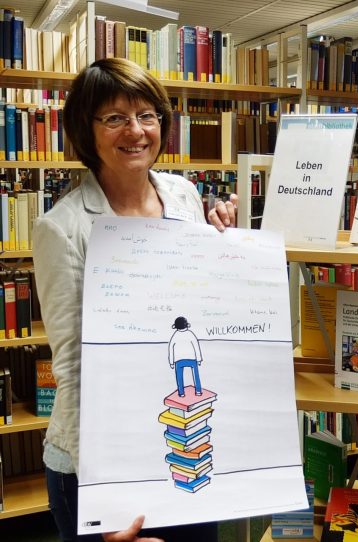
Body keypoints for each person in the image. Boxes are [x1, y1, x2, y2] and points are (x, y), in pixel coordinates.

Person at [32, 57, 237, 542]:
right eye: (115, 118)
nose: (136, 131)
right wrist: (109, 506)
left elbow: (198, 298)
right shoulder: (61, 228)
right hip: (97, 465)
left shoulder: (184, 197)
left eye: (148, 115)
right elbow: (74, 371)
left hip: (179, 438)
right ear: (87, 130)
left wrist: (224, 243)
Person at [168, 316, 204, 397]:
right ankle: (198, 391)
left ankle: (181, 393)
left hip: (178, 360)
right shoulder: (190, 334)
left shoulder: (175, 335)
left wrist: (171, 362)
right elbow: (196, 346)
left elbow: (171, 349)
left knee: (179, 376)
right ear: (186, 325)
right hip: (192, 359)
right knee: (196, 375)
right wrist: (199, 359)